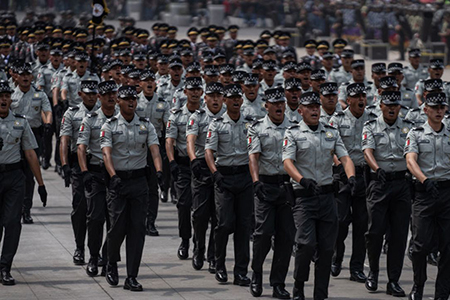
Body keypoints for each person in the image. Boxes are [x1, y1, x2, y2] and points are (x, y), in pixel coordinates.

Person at [283, 91, 355, 300]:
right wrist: (301, 179)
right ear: (300, 110)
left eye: (317, 107)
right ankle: (298, 285)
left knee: (326, 249)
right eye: (310, 107)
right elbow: (287, 161)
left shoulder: (331, 132)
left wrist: (350, 177)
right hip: (304, 197)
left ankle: (320, 294)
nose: (315, 110)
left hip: (327, 198)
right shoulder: (293, 133)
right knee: (305, 245)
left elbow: (345, 157)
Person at [100, 85, 164, 291]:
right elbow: (106, 154)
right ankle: (111, 263)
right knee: (117, 228)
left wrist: (159, 171)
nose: (131, 102)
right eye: (127, 99)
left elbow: (154, 150)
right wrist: (113, 176)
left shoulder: (146, 125)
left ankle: (132, 276)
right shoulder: (108, 126)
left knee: (137, 229)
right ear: (118, 101)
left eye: (134, 99)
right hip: (118, 183)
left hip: (139, 182)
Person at [362, 91, 414, 297]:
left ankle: (393, 280)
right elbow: (367, 151)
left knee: (399, 235)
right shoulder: (371, 126)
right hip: (379, 184)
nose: (392, 108)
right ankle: (373, 273)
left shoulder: (409, 128)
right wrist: (377, 168)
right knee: (375, 231)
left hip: (401, 184)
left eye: (396, 105)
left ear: (399, 107)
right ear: (381, 106)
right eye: (388, 105)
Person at [248, 87, 295, 299]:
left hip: (287, 187)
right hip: (265, 187)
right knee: (263, 234)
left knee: (286, 238)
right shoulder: (257, 128)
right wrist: (256, 182)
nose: (278, 106)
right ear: (266, 105)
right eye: (274, 103)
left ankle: (278, 283)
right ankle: (256, 272)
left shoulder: (294, 128)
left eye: (281, 103)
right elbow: (253, 158)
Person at [205, 84, 253, 285]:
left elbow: (254, 153)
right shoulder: (216, 124)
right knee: (223, 224)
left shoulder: (250, 124)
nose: (235, 101)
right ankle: (219, 263)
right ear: (225, 101)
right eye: (231, 98)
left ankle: (241, 271)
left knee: (244, 226)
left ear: (241, 101)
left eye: (238, 98)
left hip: (244, 177)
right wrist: (215, 174)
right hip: (224, 178)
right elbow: (209, 151)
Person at [0, 80, 47, 285]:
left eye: (6, 96)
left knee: (12, 223)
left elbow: (30, 153)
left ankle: (5, 267)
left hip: (14, 177)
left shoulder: (21, 122)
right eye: (0, 96)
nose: (3, 99)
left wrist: (41, 184)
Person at [329, 83, 377, 283]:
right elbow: (331, 147)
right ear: (348, 100)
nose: (360, 100)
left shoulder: (372, 120)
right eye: (356, 97)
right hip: (342, 175)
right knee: (340, 221)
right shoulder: (337, 120)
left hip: (364, 175)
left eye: (363, 96)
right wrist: (340, 167)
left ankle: (356, 267)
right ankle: (336, 255)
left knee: (361, 224)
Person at [404, 91, 450, 300]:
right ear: (426, 110)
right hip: (424, 194)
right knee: (420, 246)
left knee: (447, 246)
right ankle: (418, 285)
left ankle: (442, 291)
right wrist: (424, 179)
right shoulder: (416, 133)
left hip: (447, 193)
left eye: (442, 107)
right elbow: (411, 160)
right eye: (435, 107)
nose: (439, 111)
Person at [76, 80, 118, 277]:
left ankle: (109, 258)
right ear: (100, 97)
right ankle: (93, 257)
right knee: (95, 218)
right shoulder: (90, 119)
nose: (111, 97)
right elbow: (82, 147)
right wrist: (84, 172)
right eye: (107, 94)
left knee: (115, 221)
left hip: (117, 176)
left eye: (114, 93)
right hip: (95, 173)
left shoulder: (123, 116)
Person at [186, 82, 226, 273]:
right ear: (206, 98)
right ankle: (198, 246)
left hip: (223, 168)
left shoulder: (228, 118)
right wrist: (193, 160)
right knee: (200, 214)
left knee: (218, 216)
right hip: (202, 167)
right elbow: (190, 140)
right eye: (213, 96)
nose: (216, 99)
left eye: (219, 95)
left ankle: (212, 256)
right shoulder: (197, 117)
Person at [60, 79, 99, 266]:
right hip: (78, 166)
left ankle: (96, 251)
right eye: (87, 93)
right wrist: (65, 164)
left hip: (99, 166)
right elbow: (64, 140)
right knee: (80, 208)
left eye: (94, 93)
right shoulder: (72, 113)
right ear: (80, 94)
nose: (91, 97)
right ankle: (79, 247)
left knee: (98, 212)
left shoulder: (106, 113)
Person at [166, 77, 203, 260]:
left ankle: (199, 242)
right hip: (183, 165)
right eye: (191, 90)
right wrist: (171, 161)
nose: (195, 93)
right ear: (185, 92)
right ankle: (185, 240)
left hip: (202, 166)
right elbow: (170, 140)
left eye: (198, 90)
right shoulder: (176, 115)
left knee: (200, 208)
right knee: (183, 204)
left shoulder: (207, 115)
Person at [10, 63, 52, 224]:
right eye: (22, 74)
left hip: (34, 136)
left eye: (28, 74)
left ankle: (26, 209)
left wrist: (48, 123)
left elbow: (47, 111)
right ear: (17, 77)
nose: (26, 77)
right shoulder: (11, 95)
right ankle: (15, 207)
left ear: (32, 77)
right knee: (14, 174)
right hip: (14, 137)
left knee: (30, 174)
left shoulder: (40, 95)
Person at [136, 70, 170, 236]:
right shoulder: (134, 101)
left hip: (155, 149)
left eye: (152, 80)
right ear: (140, 84)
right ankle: (138, 219)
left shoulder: (162, 103)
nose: (149, 83)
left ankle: (150, 221)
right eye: (145, 80)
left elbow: (168, 127)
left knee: (153, 187)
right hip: (137, 149)